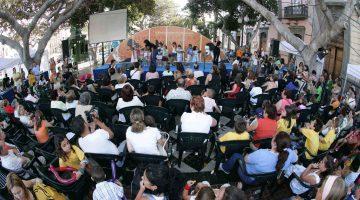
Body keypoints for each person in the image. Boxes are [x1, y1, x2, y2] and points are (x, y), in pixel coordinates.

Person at [219, 132, 298, 185]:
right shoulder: (290, 153)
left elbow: (246, 159)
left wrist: (247, 154)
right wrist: (294, 152)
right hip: (263, 180)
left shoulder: (262, 153)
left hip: (248, 176)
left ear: (274, 143)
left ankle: (225, 168)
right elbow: (295, 159)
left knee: (237, 155)